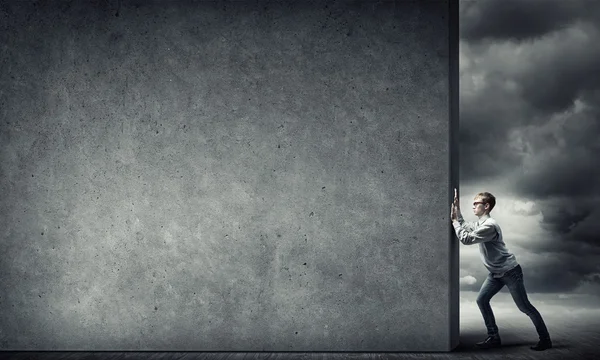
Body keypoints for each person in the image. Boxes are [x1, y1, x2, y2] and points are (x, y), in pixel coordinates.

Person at [450, 188, 552, 351]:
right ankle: (494, 337)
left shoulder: (490, 226)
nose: (473, 206)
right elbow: (466, 226)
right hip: (496, 273)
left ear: (487, 206)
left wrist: (454, 221)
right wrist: (457, 211)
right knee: (482, 300)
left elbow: (466, 238)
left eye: (476, 203)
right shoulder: (480, 224)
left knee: (525, 307)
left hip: (510, 272)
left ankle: (545, 340)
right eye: (473, 203)